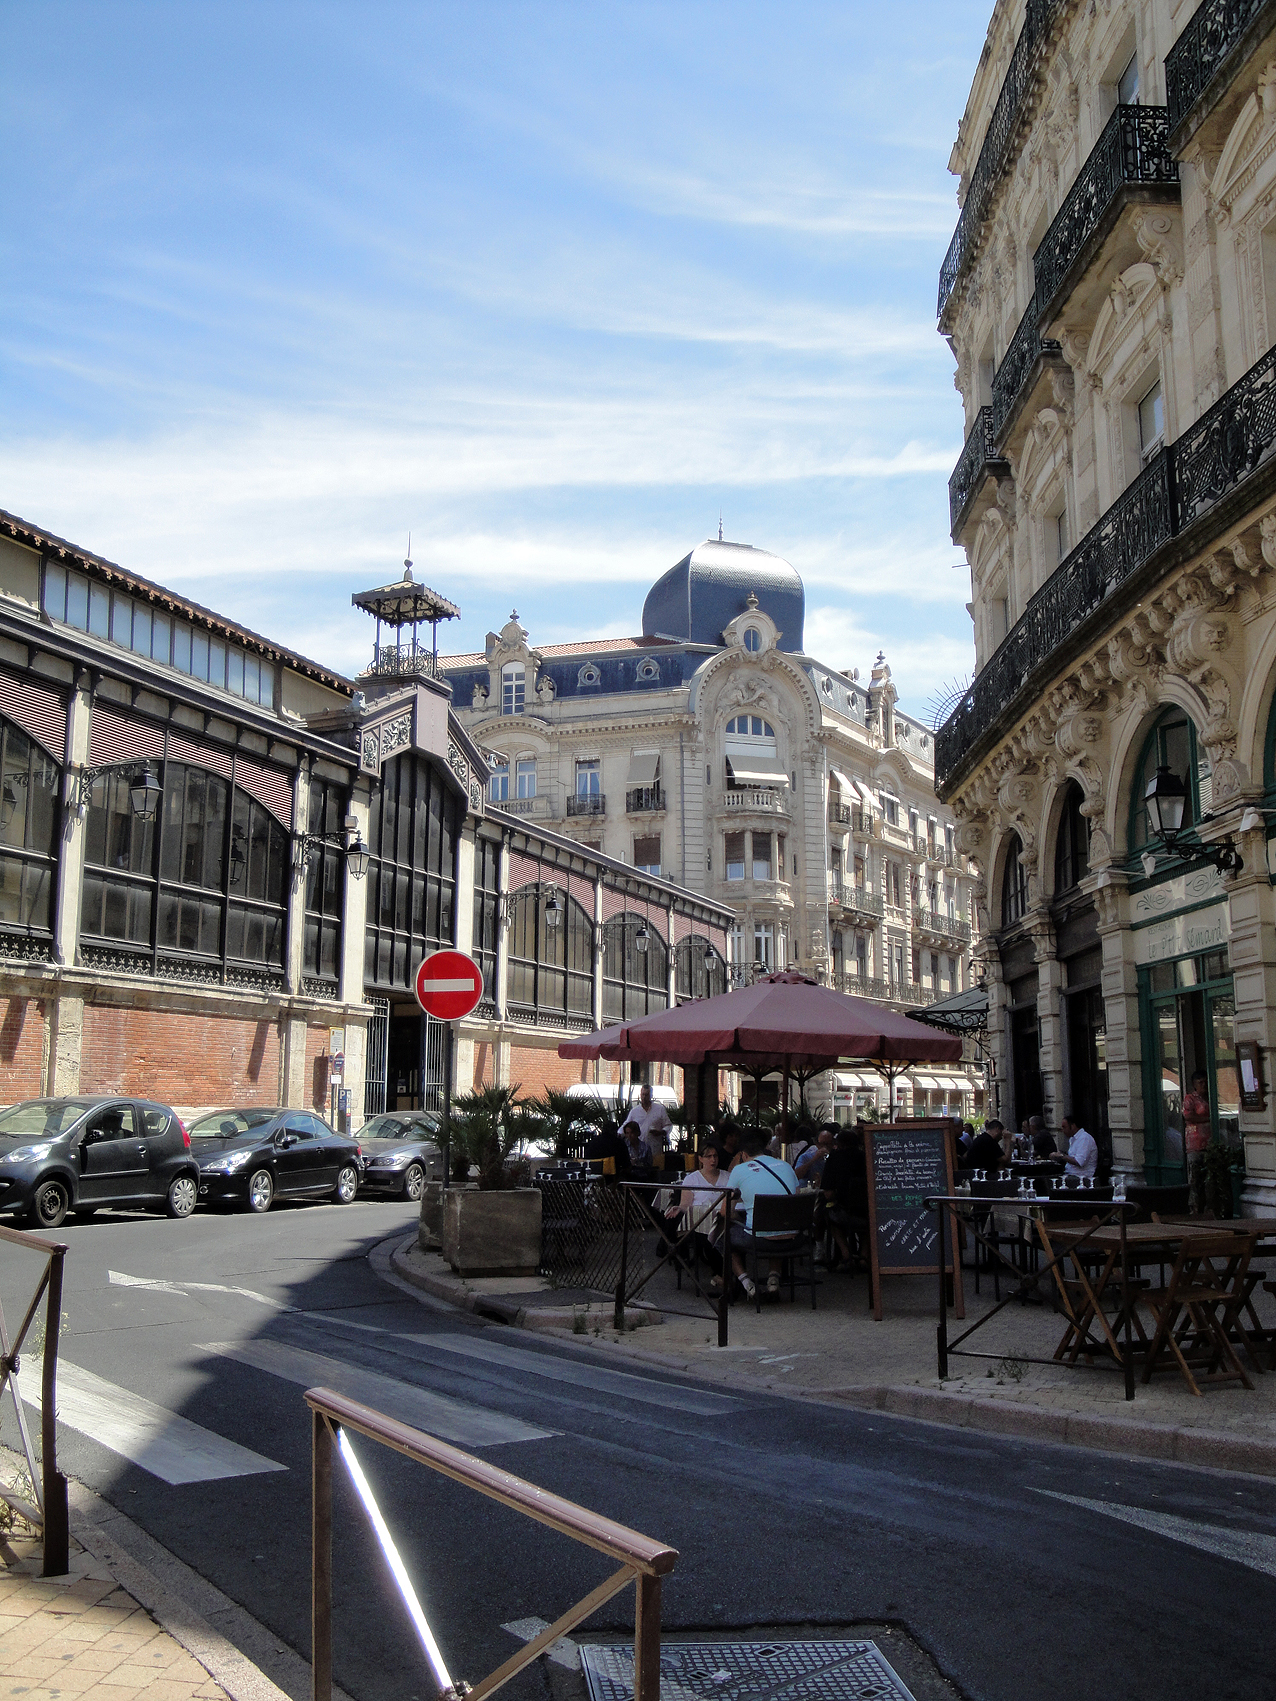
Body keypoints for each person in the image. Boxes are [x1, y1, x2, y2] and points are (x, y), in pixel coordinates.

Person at [727, 1127, 800, 1297]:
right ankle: (773, 1278)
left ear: (743, 1155)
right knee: (777, 1221)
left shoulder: (739, 1170)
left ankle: (746, 1283)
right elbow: (794, 1201)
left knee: (724, 1237)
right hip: (793, 1237)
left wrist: (739, 1219)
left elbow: (725, 1212)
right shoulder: (786, 1166)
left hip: (760, 1239)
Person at [665, 1144, 728, 1286]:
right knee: (705, 1238)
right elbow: (685, 1203)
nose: (713, 1160)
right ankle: (724, 1274)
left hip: (722, 1219)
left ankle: (728, 1275)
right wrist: (679, 1208)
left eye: (715, 1156)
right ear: (700, 1158)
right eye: (709, 1156)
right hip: (700, 1221)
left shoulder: (727, 1176)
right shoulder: (692, 1179)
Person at [817, 1127, 863, 1269]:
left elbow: (828, 1193)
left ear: (839, 1144)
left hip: (843, 1212)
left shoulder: (835, 1158)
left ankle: (845, 1253)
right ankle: (864, 1256)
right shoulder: (866, 1156)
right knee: (869, 1223)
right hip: (868, 1211)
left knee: (828, 1214)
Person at [1183, 1070, 1212, 1215]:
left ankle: (1208, 1208)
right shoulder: (1190, 1099)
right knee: (1195, 1179)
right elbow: (1189, 1117)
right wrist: (1209, 1119)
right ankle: (1194, 1209)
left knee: (1208, 1180)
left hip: (1209, 1145)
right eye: (1200, 1082)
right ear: (1194, 1084)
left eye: (1205, 1081)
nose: (1204, 1085)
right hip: (1195, 1145)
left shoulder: (1210, 1098)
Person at [620, 1084, 673, 1157]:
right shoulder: (635, 1111)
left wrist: (661, 1132)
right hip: (640, 1150)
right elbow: (626, 1125)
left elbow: (668, 1125)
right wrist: (619, 1134)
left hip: (654, 1148)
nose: (644, 1097)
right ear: (640, 1095)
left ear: (651, 1095)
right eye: (643, 1094)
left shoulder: (660, 1109)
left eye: (647, 1095)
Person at [1057, 1113, 1098, 1180]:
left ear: (1073, 1126)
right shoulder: (1072, 1139)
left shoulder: (1084, 1138)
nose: (1062, 1130)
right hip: (1070, 1173)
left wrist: (1062, 1156)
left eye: (1064, 1127)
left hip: (1081, 1176)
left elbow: (1079, 1162)